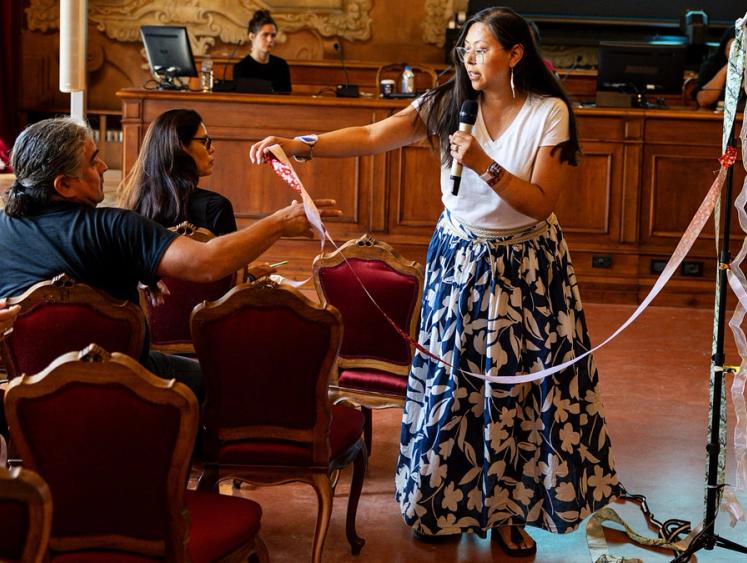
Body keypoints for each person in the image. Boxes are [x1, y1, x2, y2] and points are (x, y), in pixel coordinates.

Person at [250, 6, 621, 556]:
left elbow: (541, 202)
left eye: (482, 49)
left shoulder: (550, 113)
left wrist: (482, 164)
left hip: (527, 272)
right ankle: (440, 502)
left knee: (516, 397)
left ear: (515, 54)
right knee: (452, 389)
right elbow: (375, 134)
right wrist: (300, 143)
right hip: (460, 264)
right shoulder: (449, 104)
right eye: (466, 49)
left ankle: (509, 515)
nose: (470, 59)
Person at [0, 118, 340, 396]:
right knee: (244, 378)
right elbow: (209, 263)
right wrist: (279, 222)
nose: (104, 165)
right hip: (128, 385)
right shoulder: (114, 227)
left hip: (28, 396)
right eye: (93, 161)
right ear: (64, 185)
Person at [120, 108, 236, 236]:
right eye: (204, 141)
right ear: (179, 147)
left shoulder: (134, 203)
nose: (212, 148)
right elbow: (233, 256)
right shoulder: (215, 207)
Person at [233, 10, 292, 93]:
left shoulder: (281, 65)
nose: (270, 39)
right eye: (265, 35)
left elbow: (286, 99)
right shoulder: (241, 68)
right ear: (252, 36)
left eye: (273, 35)